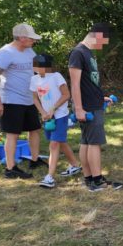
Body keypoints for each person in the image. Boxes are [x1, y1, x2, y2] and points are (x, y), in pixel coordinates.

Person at [0, 23, 48, 179]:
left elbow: (34, 70)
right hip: (11, 99)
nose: (34, 41)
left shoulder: (29, 50)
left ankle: (34, 160)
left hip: (29, 98)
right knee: (13, 134)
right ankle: (10, 168)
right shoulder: (6, 53)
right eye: (31, 38)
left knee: (34, 129)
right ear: (21, 38)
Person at [68, 23, 123, 192]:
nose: (103, 45)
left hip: (94, 102)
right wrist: (78, 109)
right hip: (87, 107)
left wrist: (101, 97)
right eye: (104, 41)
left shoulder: (88, 53)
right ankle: (97, 180)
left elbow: (89, 82)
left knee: (87, 142)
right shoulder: (78, 53)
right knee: (95, 143)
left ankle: (90, 178)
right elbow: (75, 84)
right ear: (98, 35)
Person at [29, 53, 82, 188]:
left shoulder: (56, 76)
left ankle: (50, 177)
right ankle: (75, 165)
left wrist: (53, 109)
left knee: (54, 144)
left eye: (36, 65)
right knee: (60, 142)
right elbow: (35, 98)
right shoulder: (34, 80)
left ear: (45, 66)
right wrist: (42, 112)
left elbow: (66, 94)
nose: (34, 67)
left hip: (60, 116)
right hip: (47, 117)